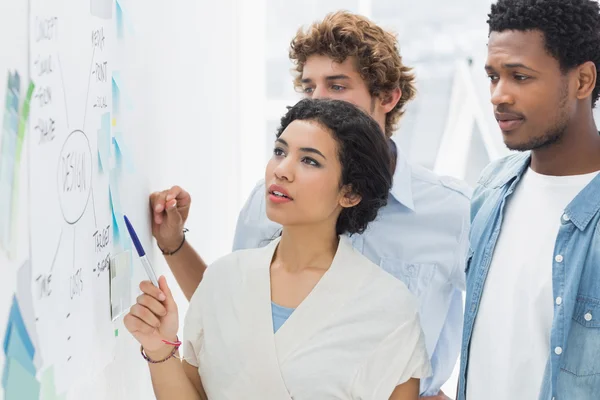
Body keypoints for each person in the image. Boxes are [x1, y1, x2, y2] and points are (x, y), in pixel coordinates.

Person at [151, 12, 471, 399]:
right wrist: (174, 245)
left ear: (387, 97)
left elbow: (499, 328)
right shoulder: (269, 198)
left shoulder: (452, 212)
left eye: (336, 86)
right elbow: (229, 308)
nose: (318, 100)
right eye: (309, 87)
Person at [125, 98, 432, 399]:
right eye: (279, 151)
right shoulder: (223, 279)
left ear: (350, 193)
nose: (282, 170)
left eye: (309, 160)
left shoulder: (389, 307)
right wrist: (159, 348)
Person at [457, 0, 600, 399]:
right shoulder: (489, 188)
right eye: (492, 77)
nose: (498, 96)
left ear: (583, 81)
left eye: (520, 77)